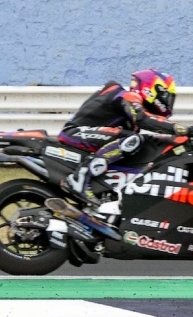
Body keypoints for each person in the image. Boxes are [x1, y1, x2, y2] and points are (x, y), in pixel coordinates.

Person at [58, 68, 180, 216]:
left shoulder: (130, 104)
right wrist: (175, 128)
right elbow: (143, 118)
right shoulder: (126, 96)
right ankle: (80, 179)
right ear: (152, 89)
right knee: (133, 139)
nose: (168, 101)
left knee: (134, 142)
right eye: (166, 95)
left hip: (87, 135)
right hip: (75, 132)